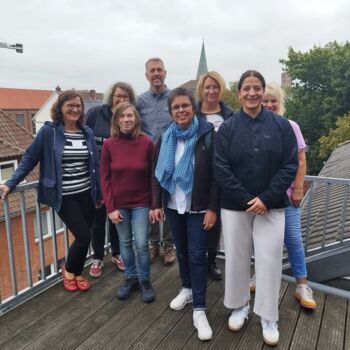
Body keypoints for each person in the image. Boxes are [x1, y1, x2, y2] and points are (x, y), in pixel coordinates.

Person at [214, 70, 298, 346]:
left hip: (272, 207)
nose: (252, 93)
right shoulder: (227, 129)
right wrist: (247, 199)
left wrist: (266, 198)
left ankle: (268, 315)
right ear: (238, 94)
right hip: (236, 207)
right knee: (237, 258)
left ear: (263, 91)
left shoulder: (281, 125)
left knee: (269, 260)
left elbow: (289, 165)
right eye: (246, 88)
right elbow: (221, 169)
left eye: (256, 88)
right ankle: (240, 305)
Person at [0, 90, 101, 292]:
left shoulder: (86, 132)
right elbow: (29, 158)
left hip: (87, 193)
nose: (75, 109)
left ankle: (77, 271)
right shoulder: (49, 132)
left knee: (85, 234)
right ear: (60, 108)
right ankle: (70, 270)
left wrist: (99, 193)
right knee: (83, 237)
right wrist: (11, 182)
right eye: (70, 105)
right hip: (64, 196)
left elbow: (95, 164)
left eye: (78, 106)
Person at [152, 88, 218, 341]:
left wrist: (212, 208)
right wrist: (156, 203)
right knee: (181, 252)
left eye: (185, 106)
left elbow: (216, 176)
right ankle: (187, 288)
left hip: (198, 206)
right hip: (173, 206)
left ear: (194, 108)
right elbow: (158, 174)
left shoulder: (207, 134)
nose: (181, 110)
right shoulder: (166, 136)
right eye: (176, 107)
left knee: (197, 256)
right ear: (171, 112)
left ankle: (199, 309)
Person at [258, 82, 316, 309]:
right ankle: (258, 277)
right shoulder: (255, 127)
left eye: (274, 101)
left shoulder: (291, 126)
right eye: (266, 101)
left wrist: (299, 188)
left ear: (280, 104)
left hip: (287, 195)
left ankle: (302, 284)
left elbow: (301, 160)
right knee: (260, 240)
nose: (270, 105)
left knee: (292, 239)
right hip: (262, 196)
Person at [100, 102, 155, 303]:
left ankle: (145, 280)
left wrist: (153, 204)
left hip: (141, 203)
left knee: (141, 243)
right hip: (119, 205)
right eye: (122, 117)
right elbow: (104, 178)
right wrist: (110, 208)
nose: (126, 120)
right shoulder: (109, 145)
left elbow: (152, 177)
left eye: (130, 116)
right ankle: (130, 278)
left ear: (136, 119)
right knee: (124, 242)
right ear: (116, 121)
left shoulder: (147, 143)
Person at [86, 82, 136, 278]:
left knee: (117, 219)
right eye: (119, 96)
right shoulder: (96, 114)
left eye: (126, 97)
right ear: (111, 97)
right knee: (97, 221)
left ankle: (116, 254)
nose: (122, 100)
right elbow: (84, 137)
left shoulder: (127, 120)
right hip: (97, 178)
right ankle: (97, 257)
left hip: (119, 180)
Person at [137, 57, 176, 266]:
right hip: (148, 158)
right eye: (152, 71)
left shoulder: (174, 98)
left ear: (165, 73)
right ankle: (153, 243)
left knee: (169, 200)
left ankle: (169, 244)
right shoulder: (140, 101)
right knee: (150, 200)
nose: (156, 74)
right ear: (146, 75)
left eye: (159, 70)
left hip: (171, 157)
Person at [196, 71, 234, 281]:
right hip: (196, 175)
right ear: (201, 89)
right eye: (207, 87)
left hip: (221, 175)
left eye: (215, 87)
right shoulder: (193, 112)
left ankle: (210, 261)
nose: (211, 91)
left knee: (215, 220)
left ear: (221, 90)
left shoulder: (229, 115)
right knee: (196, 218)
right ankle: (196, 260)